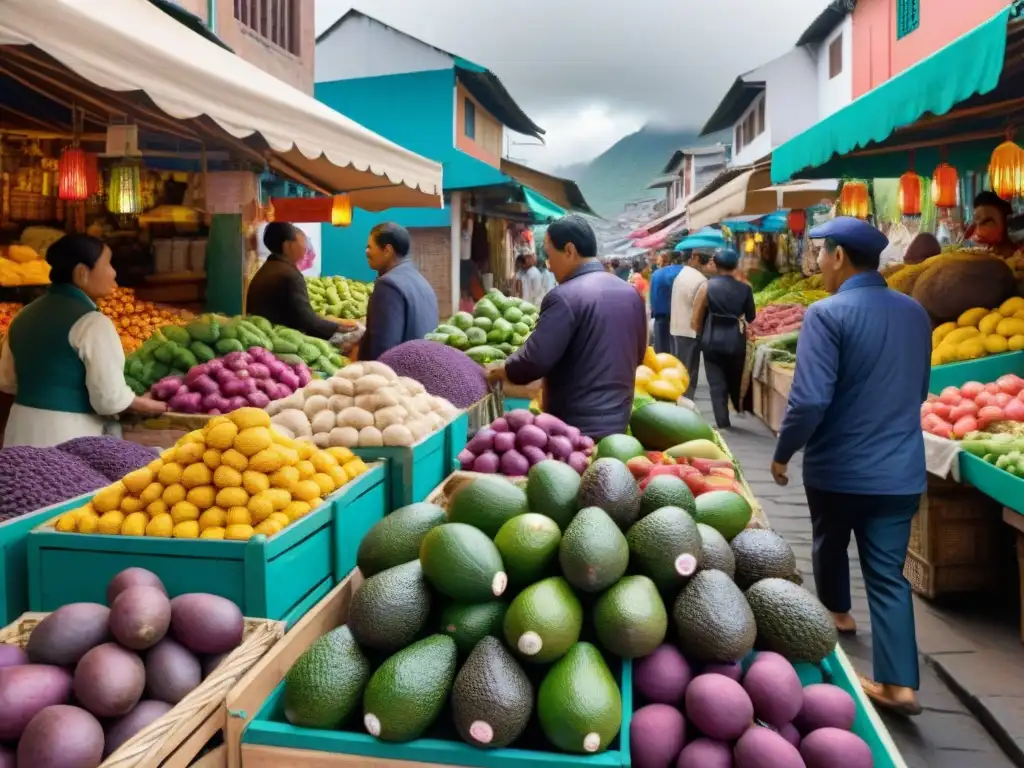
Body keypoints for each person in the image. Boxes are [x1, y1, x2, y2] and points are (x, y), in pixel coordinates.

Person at [770, 217, 930, 717]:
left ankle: (837, 614)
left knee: (828, 538)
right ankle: (900, 685)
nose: (816, 264)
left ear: (838, 256)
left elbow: (810, 400)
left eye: (820, 254)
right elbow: (920, 389)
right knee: (887, 573)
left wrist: (783, 452)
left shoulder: (827, 314)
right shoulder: (915, 313)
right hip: (900, 468)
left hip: (839, 466)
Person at [487, 215, 646, 439]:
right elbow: (638, 356)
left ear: (569, 250)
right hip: (618, 427)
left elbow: (534, 361)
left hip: (572, 430)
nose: (549, 266)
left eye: (550, 254)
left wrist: (502, 370)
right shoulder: (631, 293)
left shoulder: (563, 297)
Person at [0, 234, 166, 447]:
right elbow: (109, 400)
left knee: (23, 480)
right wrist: (151, 405)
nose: (114, 272)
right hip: (67, 435)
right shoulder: (93, 323)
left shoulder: (23, 316)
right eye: (107, 264)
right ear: (82, 273)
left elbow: (7, 382)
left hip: (20, 429)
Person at [691, 247, 755, 428]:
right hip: (735, 339)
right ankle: (738, 406)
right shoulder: (745, 288)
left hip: (711, 339)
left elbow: (696, 317)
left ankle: (722, 421)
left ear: (716, 264)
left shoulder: (706, 286)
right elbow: (751, 316)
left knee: (716, 382)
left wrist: (699, 334)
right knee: (734, 376)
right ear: (735, 265)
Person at [247, 223, 344, 341]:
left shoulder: (269, 268)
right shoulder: (289, 275)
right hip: (278, 342)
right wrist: (339, 329)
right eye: (303, 242)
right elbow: (308, 322)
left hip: (264, 337)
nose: (306, 248)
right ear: (288, 245)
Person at [359, 222, 439, 361]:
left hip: (398, 376)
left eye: (370, 247)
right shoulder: (421, 281)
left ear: (387, 251)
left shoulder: (388, 285)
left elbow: (384, 349)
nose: (366, 252)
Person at [670, 250, 708, 399]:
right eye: (710, 262)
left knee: (681, 367)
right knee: (688, 370)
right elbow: (699, 308)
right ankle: (685, 400)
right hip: (689, 331)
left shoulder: (684, 274)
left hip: (678, 328)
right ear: (696, 258)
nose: (712, 265)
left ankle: (679, 398)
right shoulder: (699, 280)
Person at [648, 251, 681, 354]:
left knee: (662, 349)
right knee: (676, 349)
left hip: (660, 316)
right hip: (677, 316)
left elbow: (652, 296)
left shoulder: (656, 274)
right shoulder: (680, 271)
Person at [967, 190, 1015, 256]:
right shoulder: (983, 255)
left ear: (1005, 222)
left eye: (986, 222)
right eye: (976, 223)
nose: (978, 231)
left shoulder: (1018, 260)